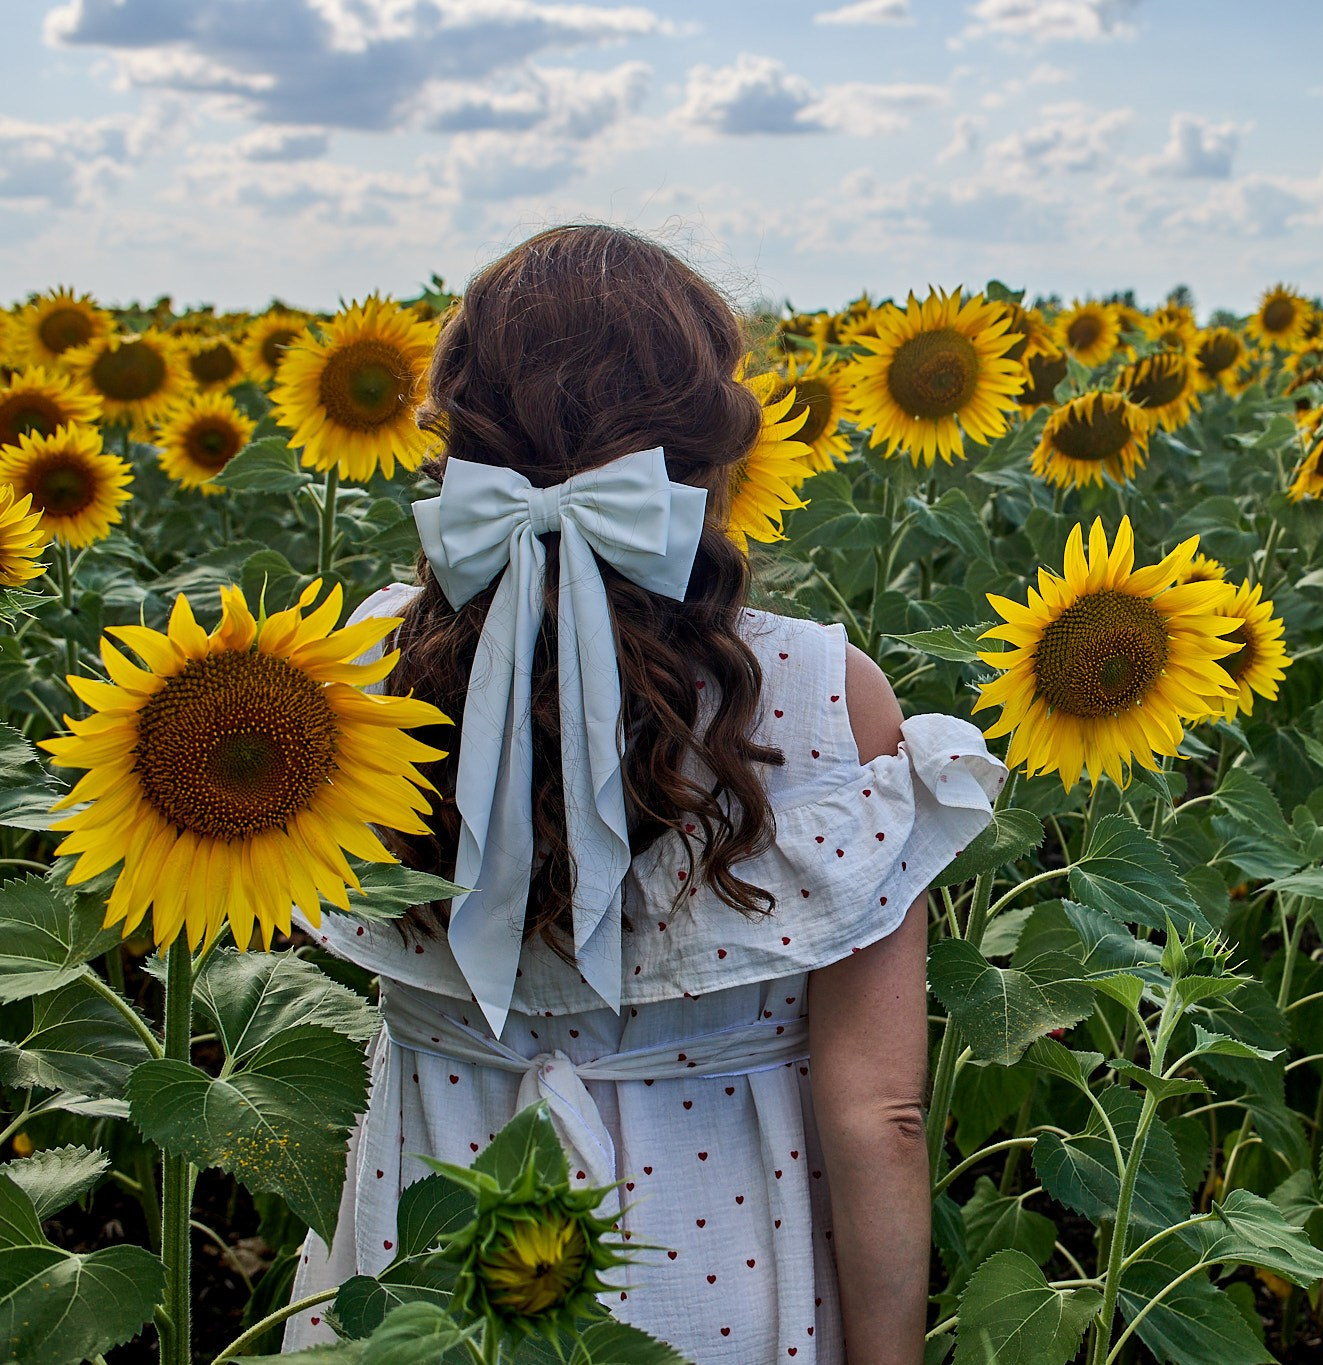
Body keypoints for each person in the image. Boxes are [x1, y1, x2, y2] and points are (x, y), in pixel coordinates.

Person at [282, 224, 1003, 1365]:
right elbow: (882, 1119)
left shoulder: (358, 667)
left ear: (456, 432)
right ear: (711, 444)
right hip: (720, 1262)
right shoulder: (819, 693)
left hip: (420, 1226)